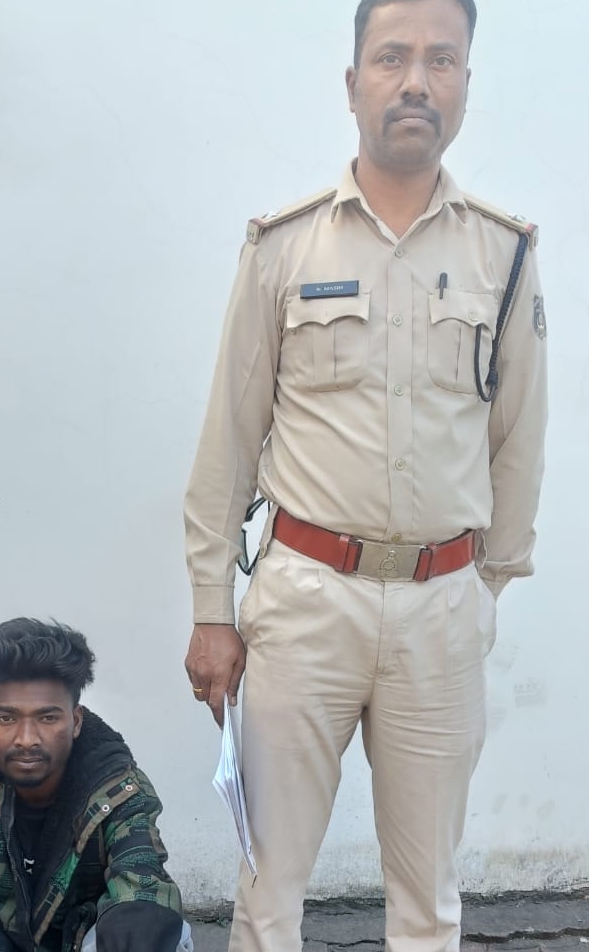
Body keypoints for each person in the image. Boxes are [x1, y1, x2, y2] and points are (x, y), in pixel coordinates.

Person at [183, 0, 547, 950]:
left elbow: (518, 437)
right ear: (353, 85)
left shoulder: (504, 254)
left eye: (441, 60)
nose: (416, 81)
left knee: (429, 902)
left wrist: (484, 586)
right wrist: (212, 608)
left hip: (441, 610)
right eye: (392, 58)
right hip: (306, 601)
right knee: (269, 891)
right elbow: (229, 439)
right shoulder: (284, 247)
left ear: (466, 83)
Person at [0, 618, 193, 952]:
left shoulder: (118, 790)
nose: (27, 739)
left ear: (76, 722)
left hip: (81, 943)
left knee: (165, 930)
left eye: (47, 717)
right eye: (7, 718)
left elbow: (142, 884)